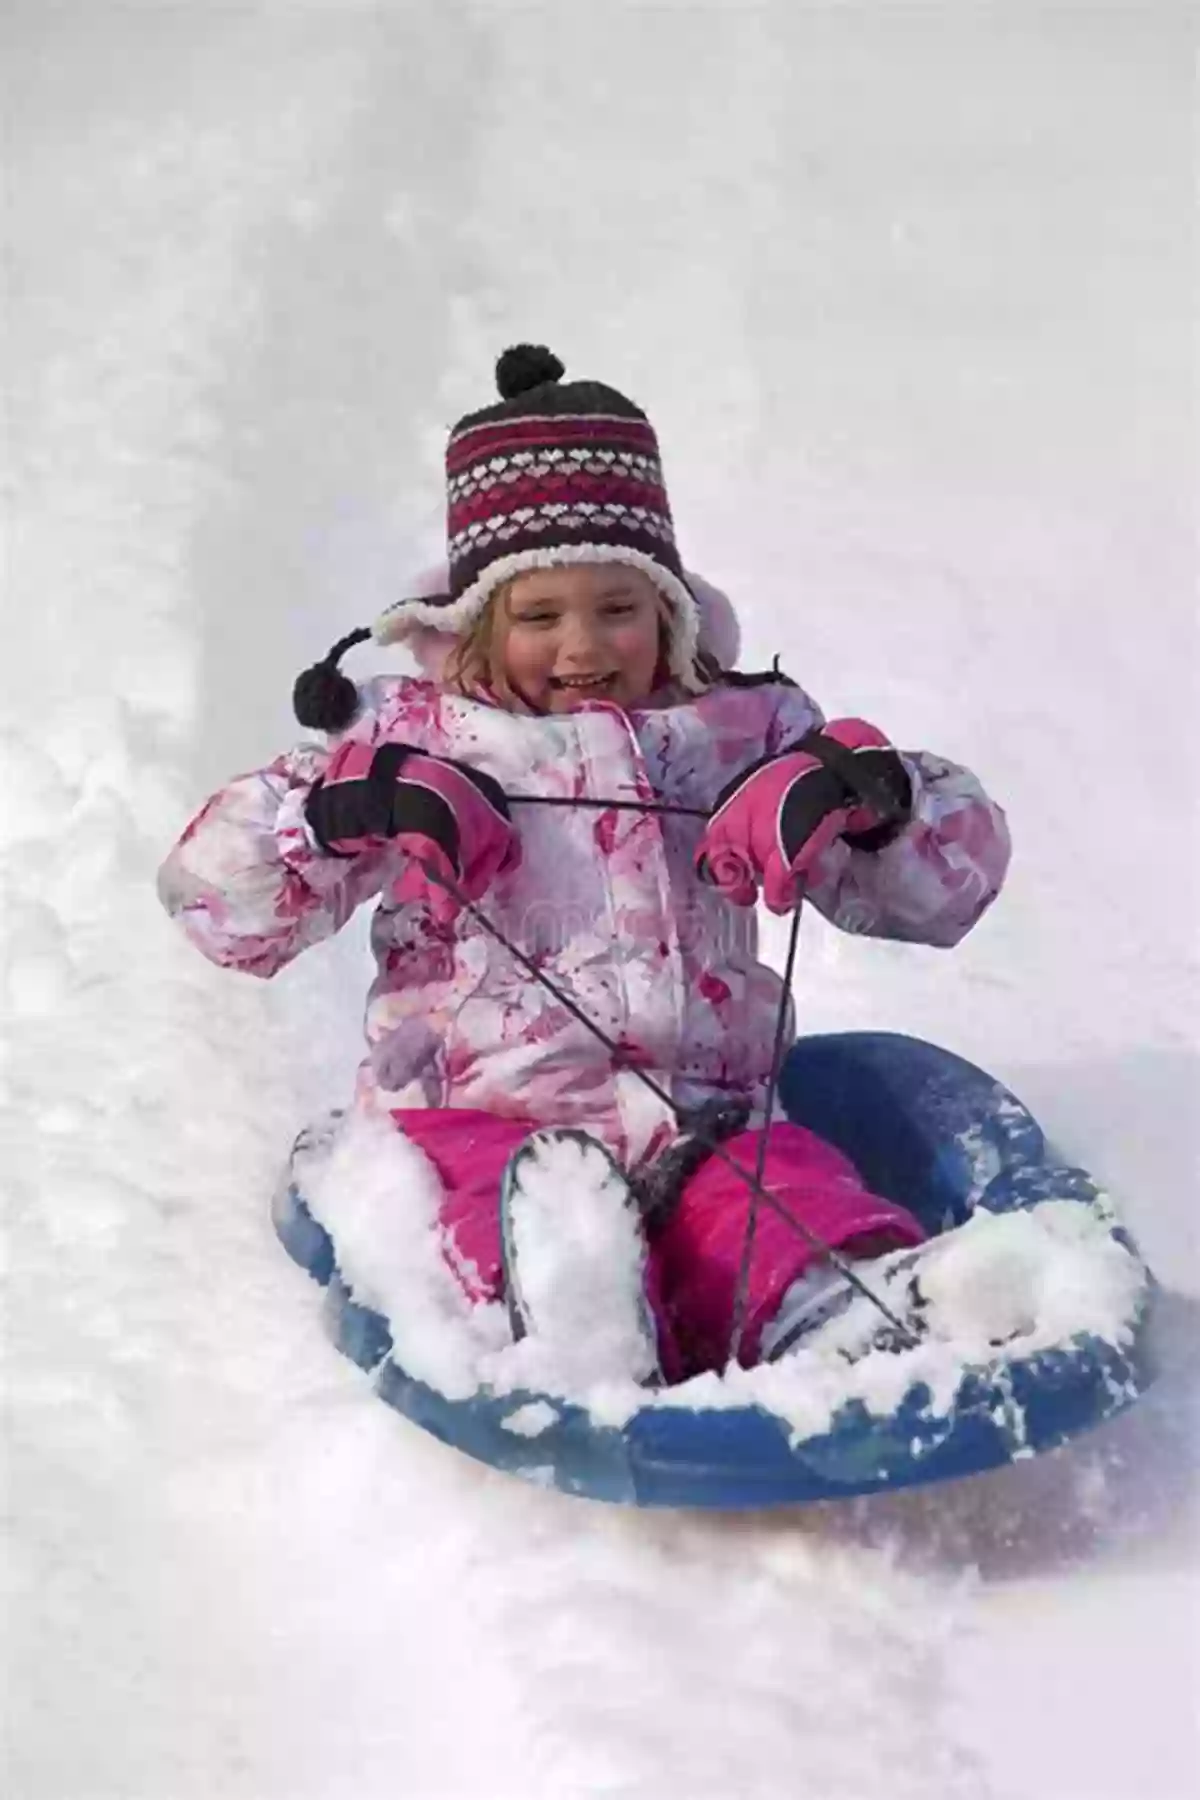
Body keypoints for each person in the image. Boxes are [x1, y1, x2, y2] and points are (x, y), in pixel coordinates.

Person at [158, 344, 1011, 1385]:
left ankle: (833, 1314)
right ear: (476, 619)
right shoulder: (414, 740)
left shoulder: (742, 735)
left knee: (778, 1191)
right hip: (476, 1122)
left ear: (670, 611)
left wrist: (867, 803)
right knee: (487, 1205)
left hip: (709, 1125)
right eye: (539, 614)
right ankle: (565, 1316)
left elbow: (946, 894)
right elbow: (218, 905)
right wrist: (337, 811)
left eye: (619, 607)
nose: (585, 646)